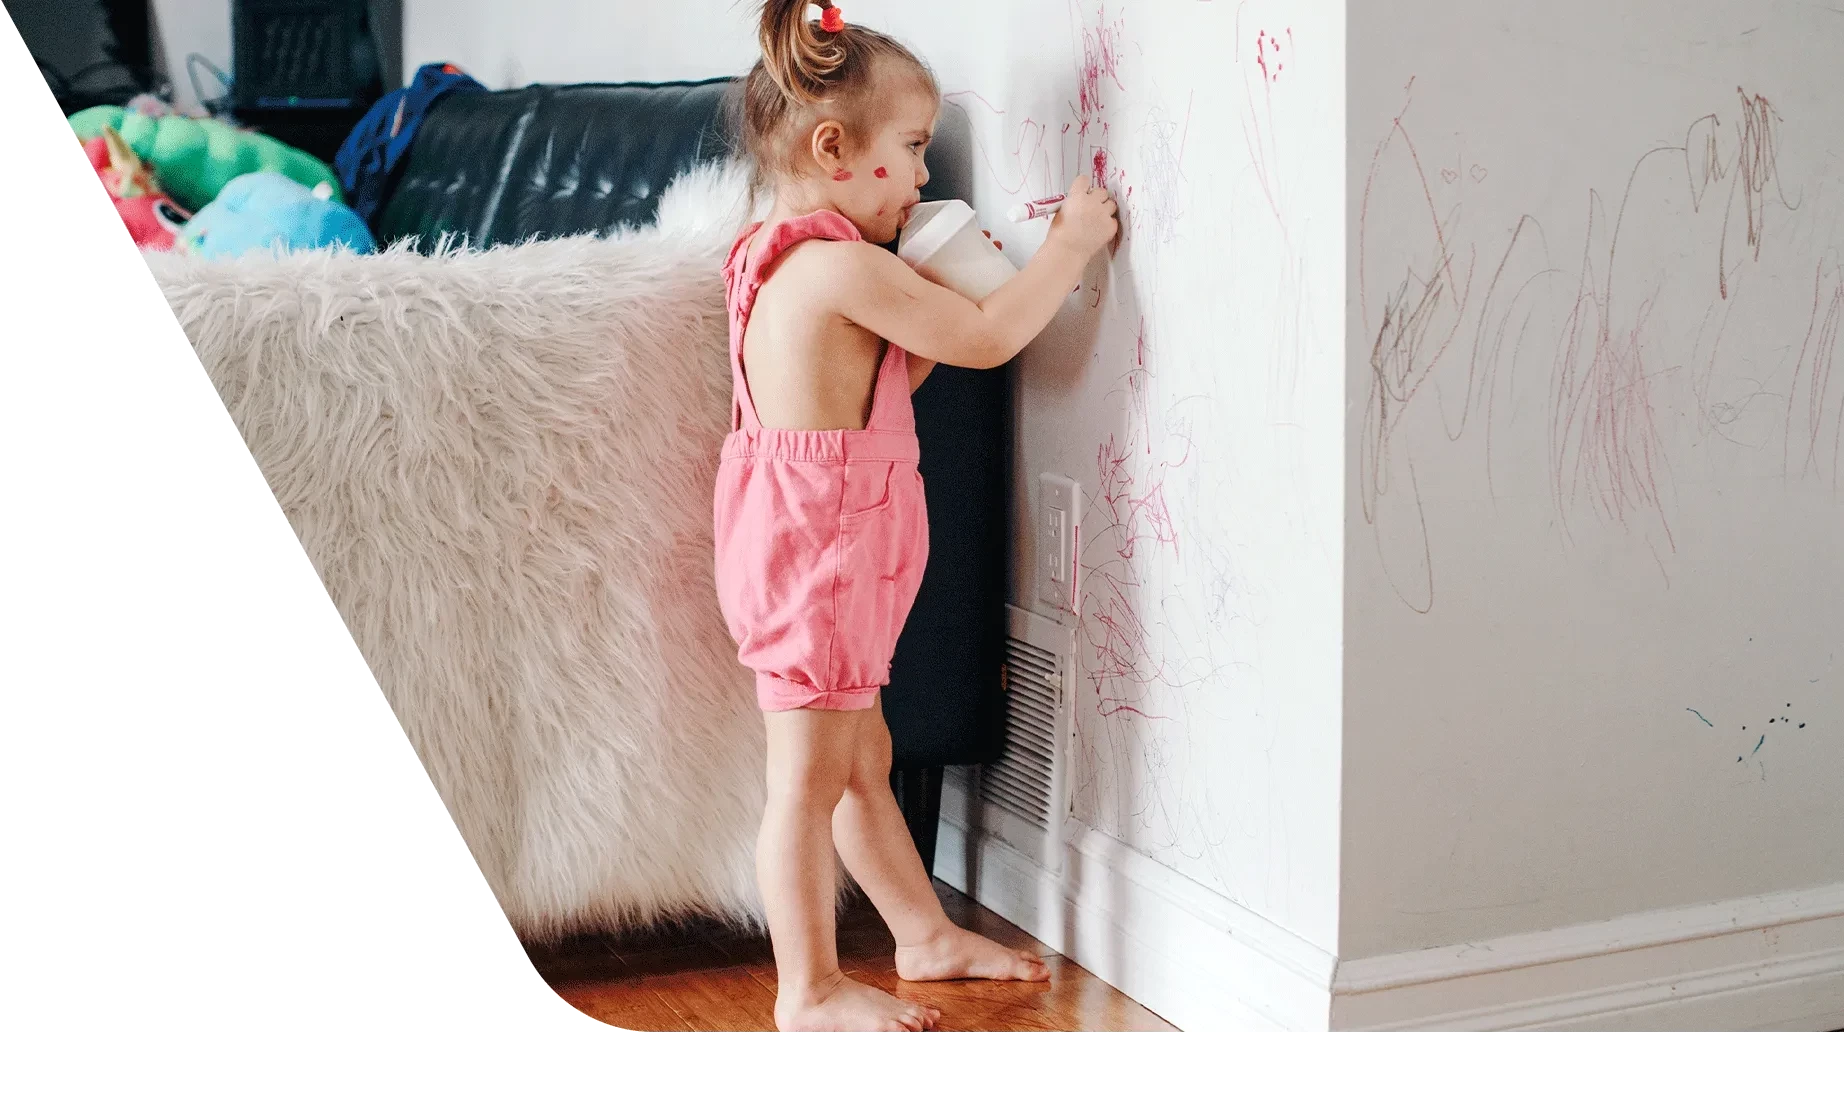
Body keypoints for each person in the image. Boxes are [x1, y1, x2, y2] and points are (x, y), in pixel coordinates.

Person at [715, 0, 1119, 1031]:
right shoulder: (839, 266)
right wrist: (1065, 249)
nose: (926, 175)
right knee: (806, 778)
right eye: (911, 149)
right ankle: (803, 988)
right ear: (833, 149)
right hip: (822, 554)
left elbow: (894, 370)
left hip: (820, 544)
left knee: (859, 761)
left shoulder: (776, 252)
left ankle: (921, 931)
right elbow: (986, 336)